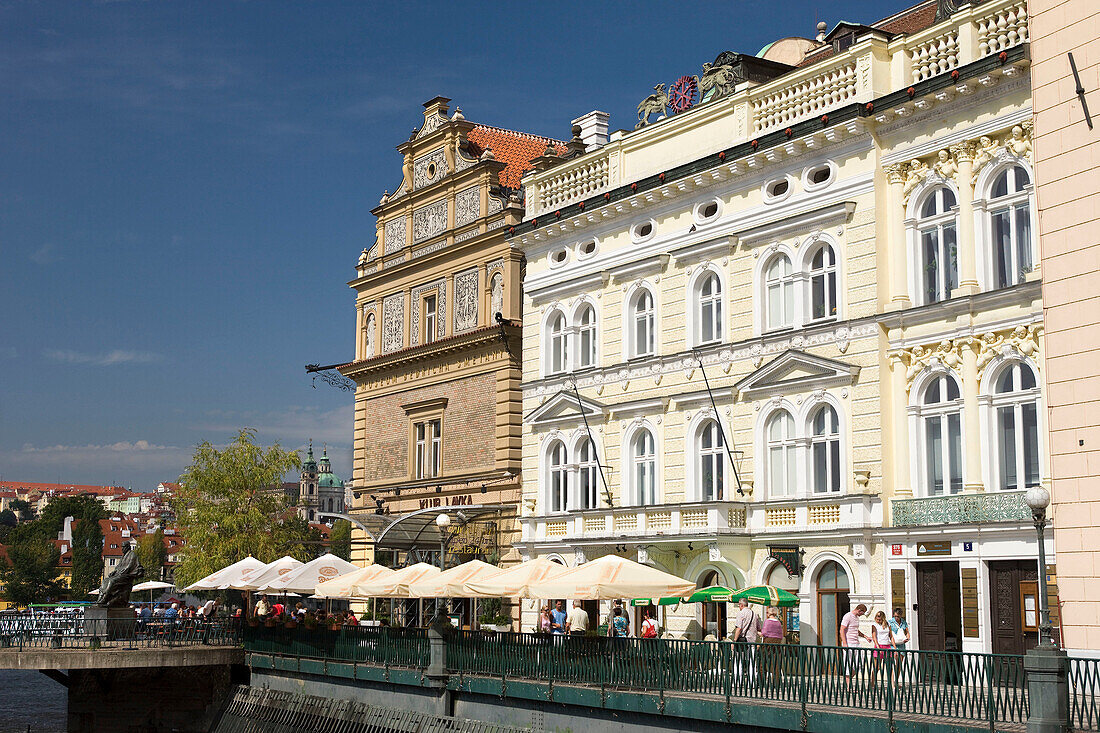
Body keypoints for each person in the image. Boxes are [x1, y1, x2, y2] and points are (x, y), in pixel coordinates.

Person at [839, 604, 871, 684]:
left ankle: (847, 681)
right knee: (848, 664)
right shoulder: (848, 616)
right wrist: (845, 643)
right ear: (859, 610)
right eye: (862, 613)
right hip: (849, 643)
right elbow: (842, 629)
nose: (862, 615)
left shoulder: (857, 618)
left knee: (859, 664)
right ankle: (848, 685)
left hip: (856, 643)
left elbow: (856, 630)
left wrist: (865, 636)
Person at [869, 610, 897, 688]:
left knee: (890, 666)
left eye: (879, 619)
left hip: (887, 646)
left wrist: (894, 648)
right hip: (879, 646)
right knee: (876, 667)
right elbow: (874, 637)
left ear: (883, 618)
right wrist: (878, 648)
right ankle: (872, 683)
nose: (878, 620)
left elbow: (891, 636)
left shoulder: (888, 625)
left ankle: (892, 684)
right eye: (877, 618)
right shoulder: (874, 625)